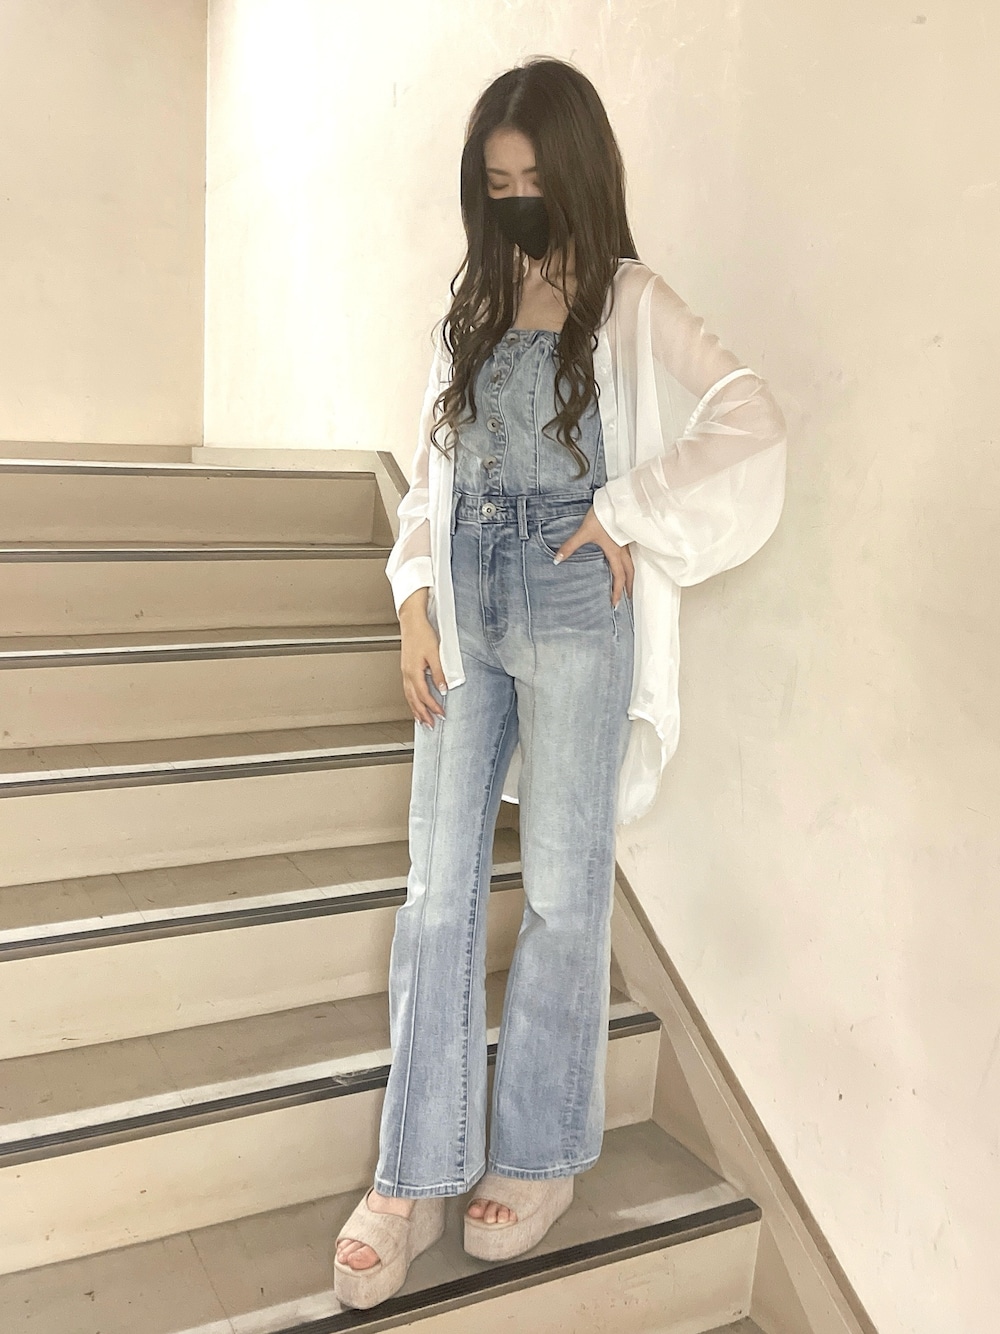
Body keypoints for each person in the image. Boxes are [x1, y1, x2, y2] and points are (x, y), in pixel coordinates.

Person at [333, 56, 787, 1310]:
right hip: (464, 607)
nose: (518, 200)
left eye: (535, 178)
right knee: (437, 891)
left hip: (578, 606)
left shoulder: (630, 300)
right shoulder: (470, 304)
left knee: (564, 890)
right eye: (497, 183)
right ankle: (412, 1171)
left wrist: (627, 511)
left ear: (579, 173)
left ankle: (536, 1152)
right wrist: (410, 601)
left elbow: (749, 417)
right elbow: (429, 474)